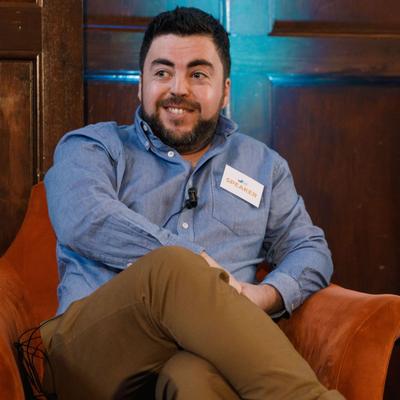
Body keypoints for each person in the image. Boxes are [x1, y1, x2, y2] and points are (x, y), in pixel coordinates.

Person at [41, 6, 344, 400]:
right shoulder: (93, 147)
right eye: (162, 72)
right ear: (141, 84)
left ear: (225, 91)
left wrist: (263, 295)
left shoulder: (264, 167)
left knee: (193, 377)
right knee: (174, 265)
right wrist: (198, 267)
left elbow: (310, 249)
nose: (178, 89)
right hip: (91, 357)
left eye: (198, 74)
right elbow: (82, 217)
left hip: (203, 356)